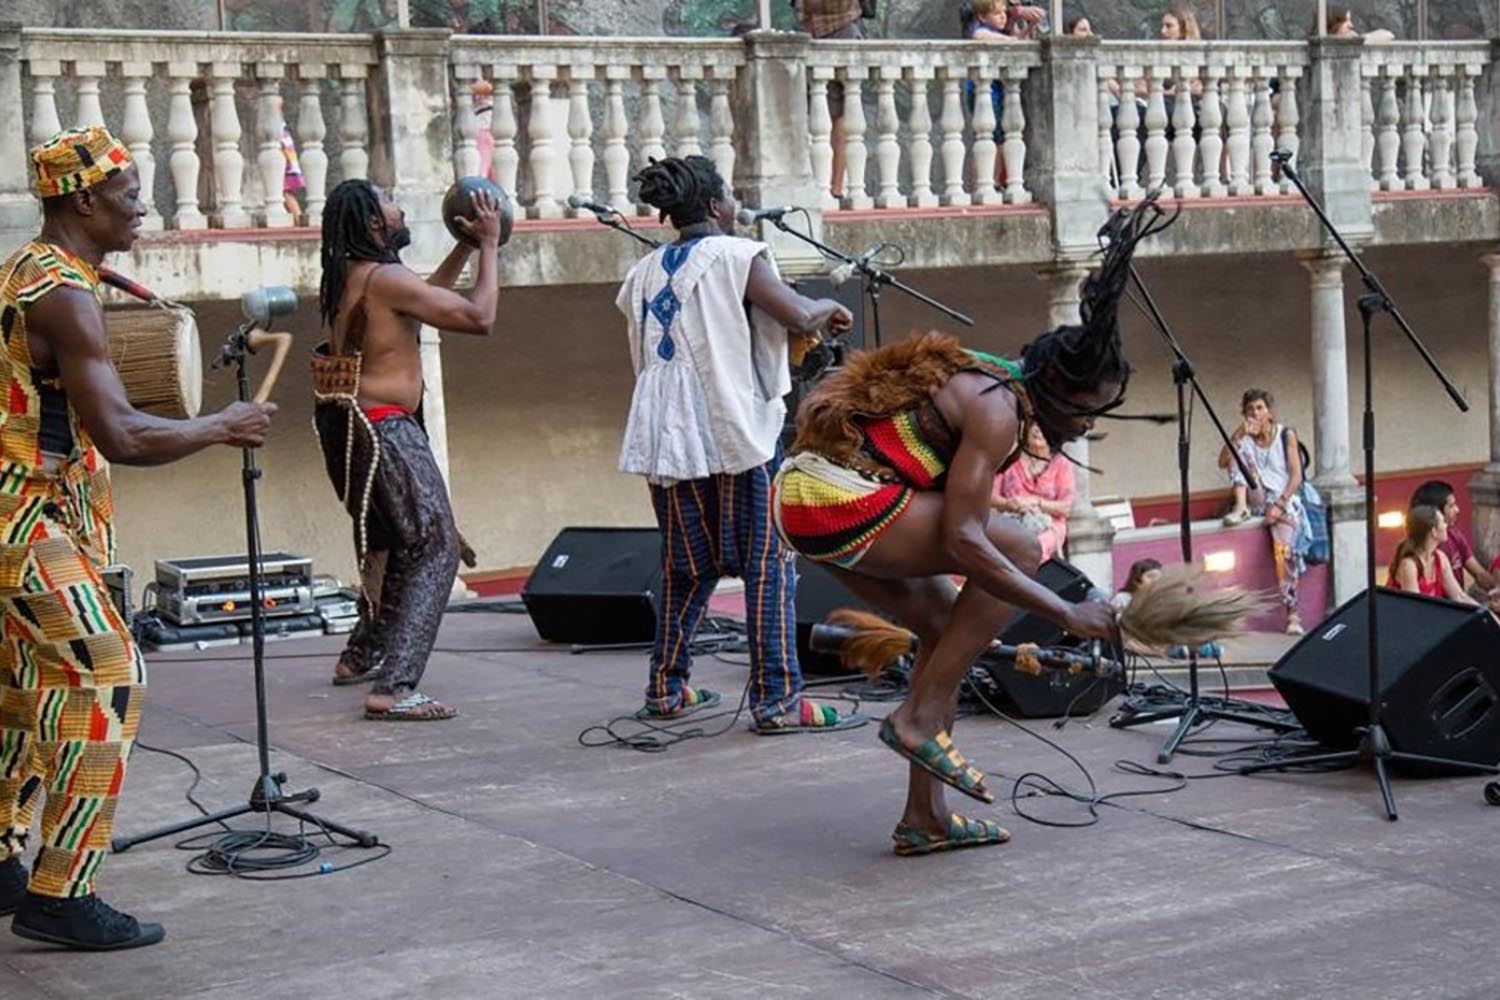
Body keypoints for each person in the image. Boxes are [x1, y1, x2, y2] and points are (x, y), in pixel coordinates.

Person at [773, 198, 1167, 855]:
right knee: (1017, 540)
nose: (1087, 428)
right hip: (835, 500)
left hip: (809, 500)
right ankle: (919, 719)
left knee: (944, 635)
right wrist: (1067, 613)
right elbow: (964, 539)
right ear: (1064, 390)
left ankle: (924, 818)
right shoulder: (997, 409)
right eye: (1088, 413)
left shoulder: (990, 381)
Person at [0, 125, 275, 949]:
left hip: (33, 508)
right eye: (127, 192)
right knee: (107, 674)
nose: (142, 205)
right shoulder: (61, 293)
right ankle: (61, 892)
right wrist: (222, 423)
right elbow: (120, 433)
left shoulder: (33, 269)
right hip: (20, 515)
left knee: (20, 690)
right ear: (83, 199)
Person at [617, 155, 863, 734]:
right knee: (768, 564)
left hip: (667, 434)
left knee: (686, 567)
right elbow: (800, 314)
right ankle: (778, 701)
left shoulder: (644, 272)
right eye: (729, 196)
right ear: (713, 206)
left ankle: (666, 688)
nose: (735, 206)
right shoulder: (736, 253)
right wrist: (831, 306)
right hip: (733, 427)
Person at [312, 178, 501, 721]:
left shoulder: (354, 275)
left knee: (397, 545)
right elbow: (477, 317)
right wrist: (489, 246)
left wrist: (463, 246)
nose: (399, 206)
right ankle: (395, 686)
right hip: (386, 431)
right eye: (389, 200)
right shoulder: (387, 279)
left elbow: (423, 301)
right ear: (375, 223)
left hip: (351, 428)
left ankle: (362, 654)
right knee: (435, 549)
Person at [1218, 388, 1306, 635]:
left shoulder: (1286, 434)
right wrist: (1238, 434)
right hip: (1257, 496)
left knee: (1284, 552)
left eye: (1259, 408)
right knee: (1236, 451)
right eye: (1250, 410)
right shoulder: (1246, 437)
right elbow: (1223, 461)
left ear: (1269, 411)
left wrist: (1279, 505)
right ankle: (1241, 507)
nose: (1255, 413)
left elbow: (1296, 475)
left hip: (1283, 499)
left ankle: (1293, 613)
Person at [795, 0, 865, 200]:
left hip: (841, 25)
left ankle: (836, 186)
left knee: (842, 111)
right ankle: (817, 181)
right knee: (813, 110)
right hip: (810, 28)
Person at [992, 421, 1074, 562]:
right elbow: (990, 498)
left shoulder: (1061, 463)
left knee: (1037, 546)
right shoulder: (1011, 460)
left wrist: (1037, 502)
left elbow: (1066, 508)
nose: (1037, 430)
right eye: (1033, 425)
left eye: (1043, 426)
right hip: (1012, 521)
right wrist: (1008, 503)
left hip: (1049, 525)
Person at [1409, 480, 1500, 607]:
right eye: (1451, 506)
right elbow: (1413, 606)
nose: (1457, 510)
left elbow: (1477, 577)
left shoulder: (1452, 540)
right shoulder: (1410, 561)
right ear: (1435, 514)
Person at [1386, 505, 1478, 604]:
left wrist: (1487, 614)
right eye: (1443, 522)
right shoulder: (1409, 565)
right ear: (1434, 531)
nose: (1446, 525)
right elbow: (1413, 608)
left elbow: (1459, 596)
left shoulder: (1440, 558)